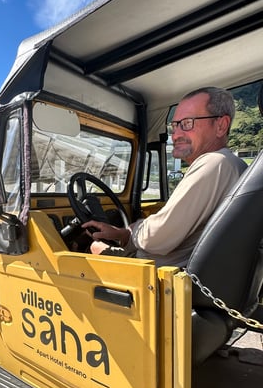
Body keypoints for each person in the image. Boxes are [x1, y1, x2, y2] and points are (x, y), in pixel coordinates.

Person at [82, 87, 247, 267]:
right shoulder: (235, 166)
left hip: (156, 275)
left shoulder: (215, 163)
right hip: (178, 269)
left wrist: (131, 232)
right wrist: (125, 234)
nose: (176, 135)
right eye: (174, 126)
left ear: (221, 125)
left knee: (93, 247)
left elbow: (157, 237)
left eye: (187, 123)